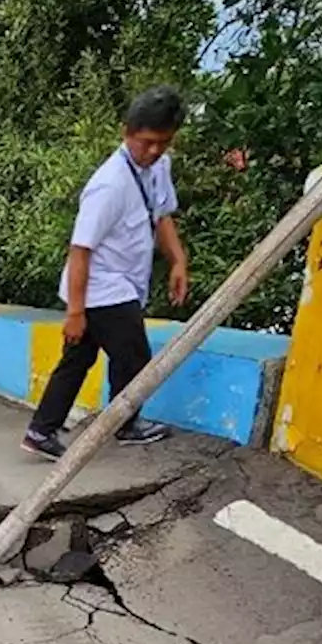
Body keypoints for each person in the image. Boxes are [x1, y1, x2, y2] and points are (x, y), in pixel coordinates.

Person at [22, 85, 191, 461]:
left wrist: (178, 260)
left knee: (78, 360)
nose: (154, 151)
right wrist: (76, 314)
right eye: (146, 142)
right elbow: (80, 250)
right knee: (133, 357)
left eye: (163, 143)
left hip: (121, 283)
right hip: (101, 287)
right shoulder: (108, 184)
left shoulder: (157, 167)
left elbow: (161, 215)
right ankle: (125, 424)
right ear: (126, 131)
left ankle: (40, 430)